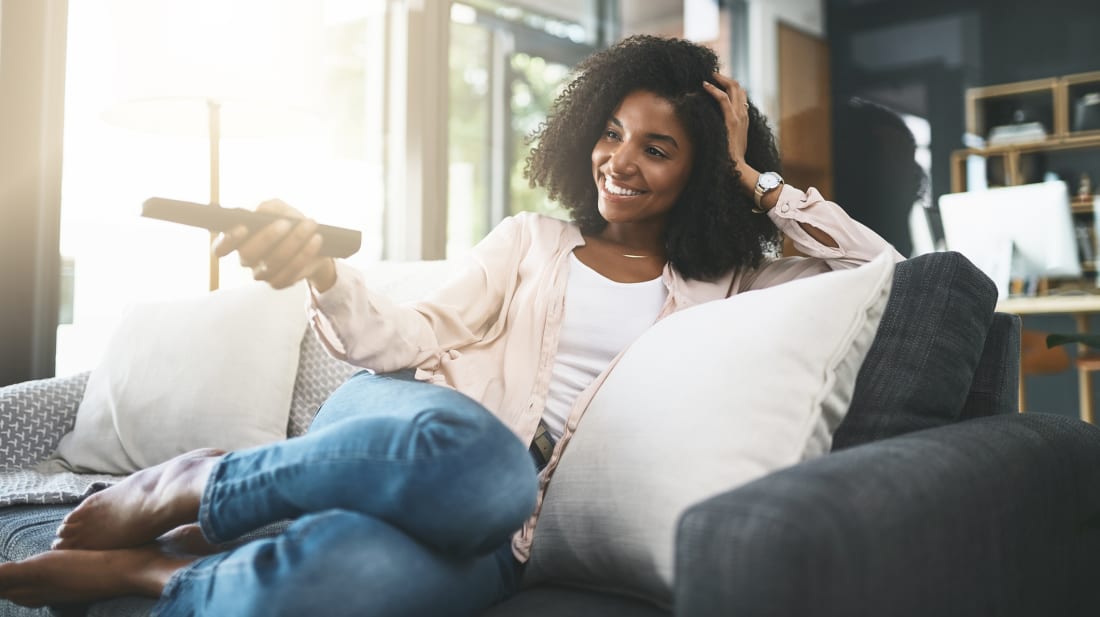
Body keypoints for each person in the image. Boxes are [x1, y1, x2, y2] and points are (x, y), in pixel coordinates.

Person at [0, 35, 901, 616]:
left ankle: (162, 577)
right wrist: (320, 268)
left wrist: (755, 178)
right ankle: (207, 480)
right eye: (614, 132)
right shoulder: (530, 243)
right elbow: (399, 335)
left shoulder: (734, 284)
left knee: (346, 581)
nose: (619, 160)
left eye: (657, 148)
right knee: (486, 466)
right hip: (412, 429)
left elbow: (877, 270)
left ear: (702, 173)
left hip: (508, 539)